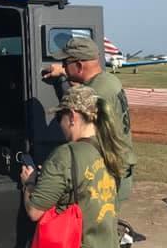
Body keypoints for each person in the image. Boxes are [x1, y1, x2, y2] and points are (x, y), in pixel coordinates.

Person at [20, 85, 127, 248]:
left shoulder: (65, 154)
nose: (59, 124)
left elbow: (35, 211)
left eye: (59, 117)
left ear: (72, 116)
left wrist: (30, 182)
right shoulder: (111, 152)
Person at [43, 37, 136, 203]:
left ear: (79, 66)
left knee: (92, 226)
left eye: (66, 63)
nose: (63, 66)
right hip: (121, 167)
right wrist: (65, 73)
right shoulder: (108, 80)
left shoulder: (93, 93)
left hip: (108, 175)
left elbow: (74, 116)